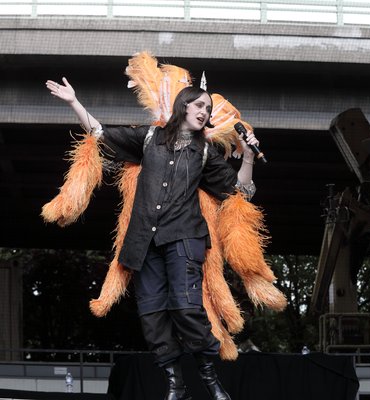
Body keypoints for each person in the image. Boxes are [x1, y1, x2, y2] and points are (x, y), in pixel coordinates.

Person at [45, 77, 260, 400]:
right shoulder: (149, 139)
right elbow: (101, 134)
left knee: (186, 308)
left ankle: (210, 378)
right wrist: (74, 102)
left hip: (184, 238)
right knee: (152, 314)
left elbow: (240, 192)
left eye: (208, 109)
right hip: (143, 242)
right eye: (199, 105)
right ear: (183, 105)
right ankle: (176, 384)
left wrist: (248, 157)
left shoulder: (205, 153)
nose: (204, 111)